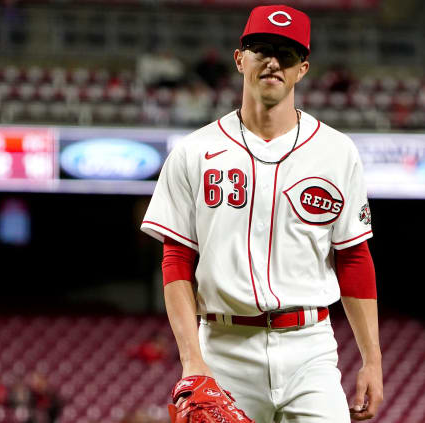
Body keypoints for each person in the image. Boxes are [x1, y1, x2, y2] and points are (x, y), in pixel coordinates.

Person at [141, 4, 382, 422]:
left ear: (302, 68)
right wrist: (192, 361)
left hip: (310, 347)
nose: (273, 61)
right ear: (240, 59)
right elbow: (177, 261)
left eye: (287, 53)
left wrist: (372, 361)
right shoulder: (193, 152)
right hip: (224, 346)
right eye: (261, 48)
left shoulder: (336, 151)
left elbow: (354, 258)